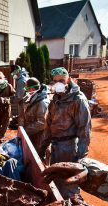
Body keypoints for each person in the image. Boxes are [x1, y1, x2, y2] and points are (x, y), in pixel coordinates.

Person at [39, 67, 91, 198]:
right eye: (55, 81)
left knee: (69, 185)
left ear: (68, 80)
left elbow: (84, 130)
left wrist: (79, 157)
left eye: (61, 80)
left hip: (69, 148)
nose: (58, 84)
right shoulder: (55, 100)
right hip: (55, 147)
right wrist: (43, 146)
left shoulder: (77, 100)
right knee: (56, 182)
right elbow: (48, 126)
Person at [21, 78, 50, 150]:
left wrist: (25, 131)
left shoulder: (41, 103)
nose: (26, 91)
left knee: (38, 157)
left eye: (27, 89)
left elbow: (42, 123)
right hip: (33, 135)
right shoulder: (33, 100)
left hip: (39, 138)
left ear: (32, 89)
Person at [0, 72, 15, 142]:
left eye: (0, 78)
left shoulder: (9, 86)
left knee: (5, 121)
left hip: (6, 106)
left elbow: (13, 96)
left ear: (4, 77)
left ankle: (2, 135)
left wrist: (5, 99)